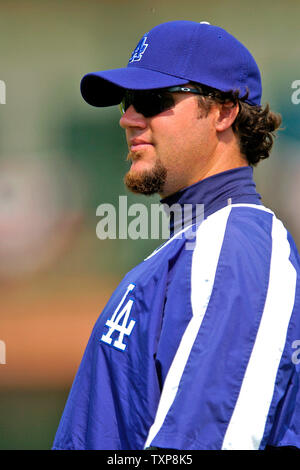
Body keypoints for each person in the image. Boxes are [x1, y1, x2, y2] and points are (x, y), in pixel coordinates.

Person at [52, 20, 300, 450]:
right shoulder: (195, 245)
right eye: (128, 101)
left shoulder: (236, 244)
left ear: (224, 111)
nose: (128, 119)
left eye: (151, 99)